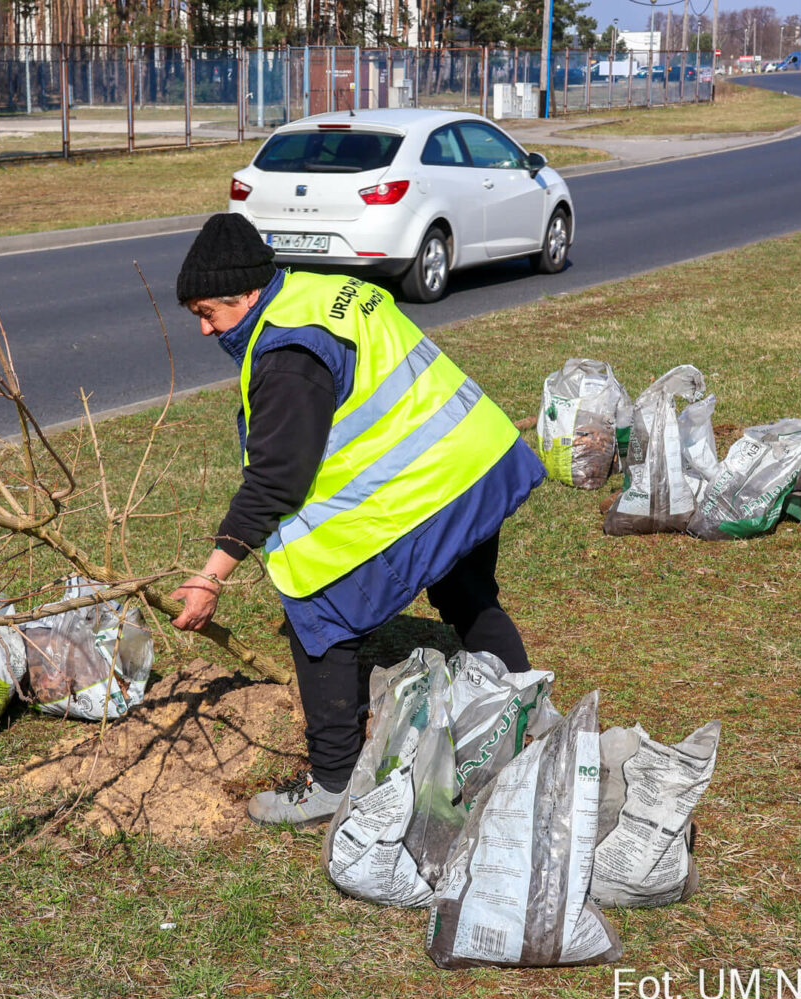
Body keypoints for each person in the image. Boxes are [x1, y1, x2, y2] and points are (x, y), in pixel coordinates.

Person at [167, 213, 547, 826]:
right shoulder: (316, 292)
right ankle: (525, 711)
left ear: (249, 294)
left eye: (209, 313)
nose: (205, 330)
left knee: (318, 613)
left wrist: (212, 574)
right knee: (468, 593)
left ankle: (333, 782)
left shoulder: (289, 353)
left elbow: (275, 478)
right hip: (474, 460)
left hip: (428, 485)